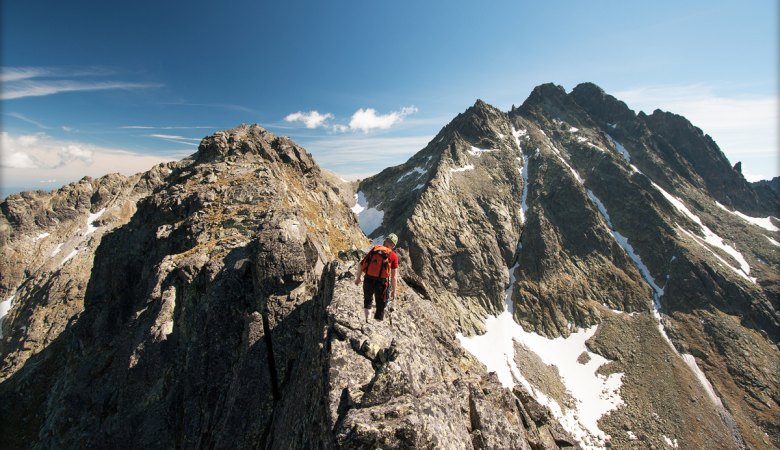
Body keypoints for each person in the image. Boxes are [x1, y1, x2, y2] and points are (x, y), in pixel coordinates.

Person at [354, 233, 399, 323]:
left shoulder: (375, 249)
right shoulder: (393, 256)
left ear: (385, 241)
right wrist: (394, 291)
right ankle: (377, 325)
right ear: (393, 245)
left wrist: (358, 278)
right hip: (381, 283)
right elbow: (394, 277)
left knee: (367, 301)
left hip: (368, 279)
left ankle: (368, 320)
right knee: (380, 306)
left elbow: (361, 264)